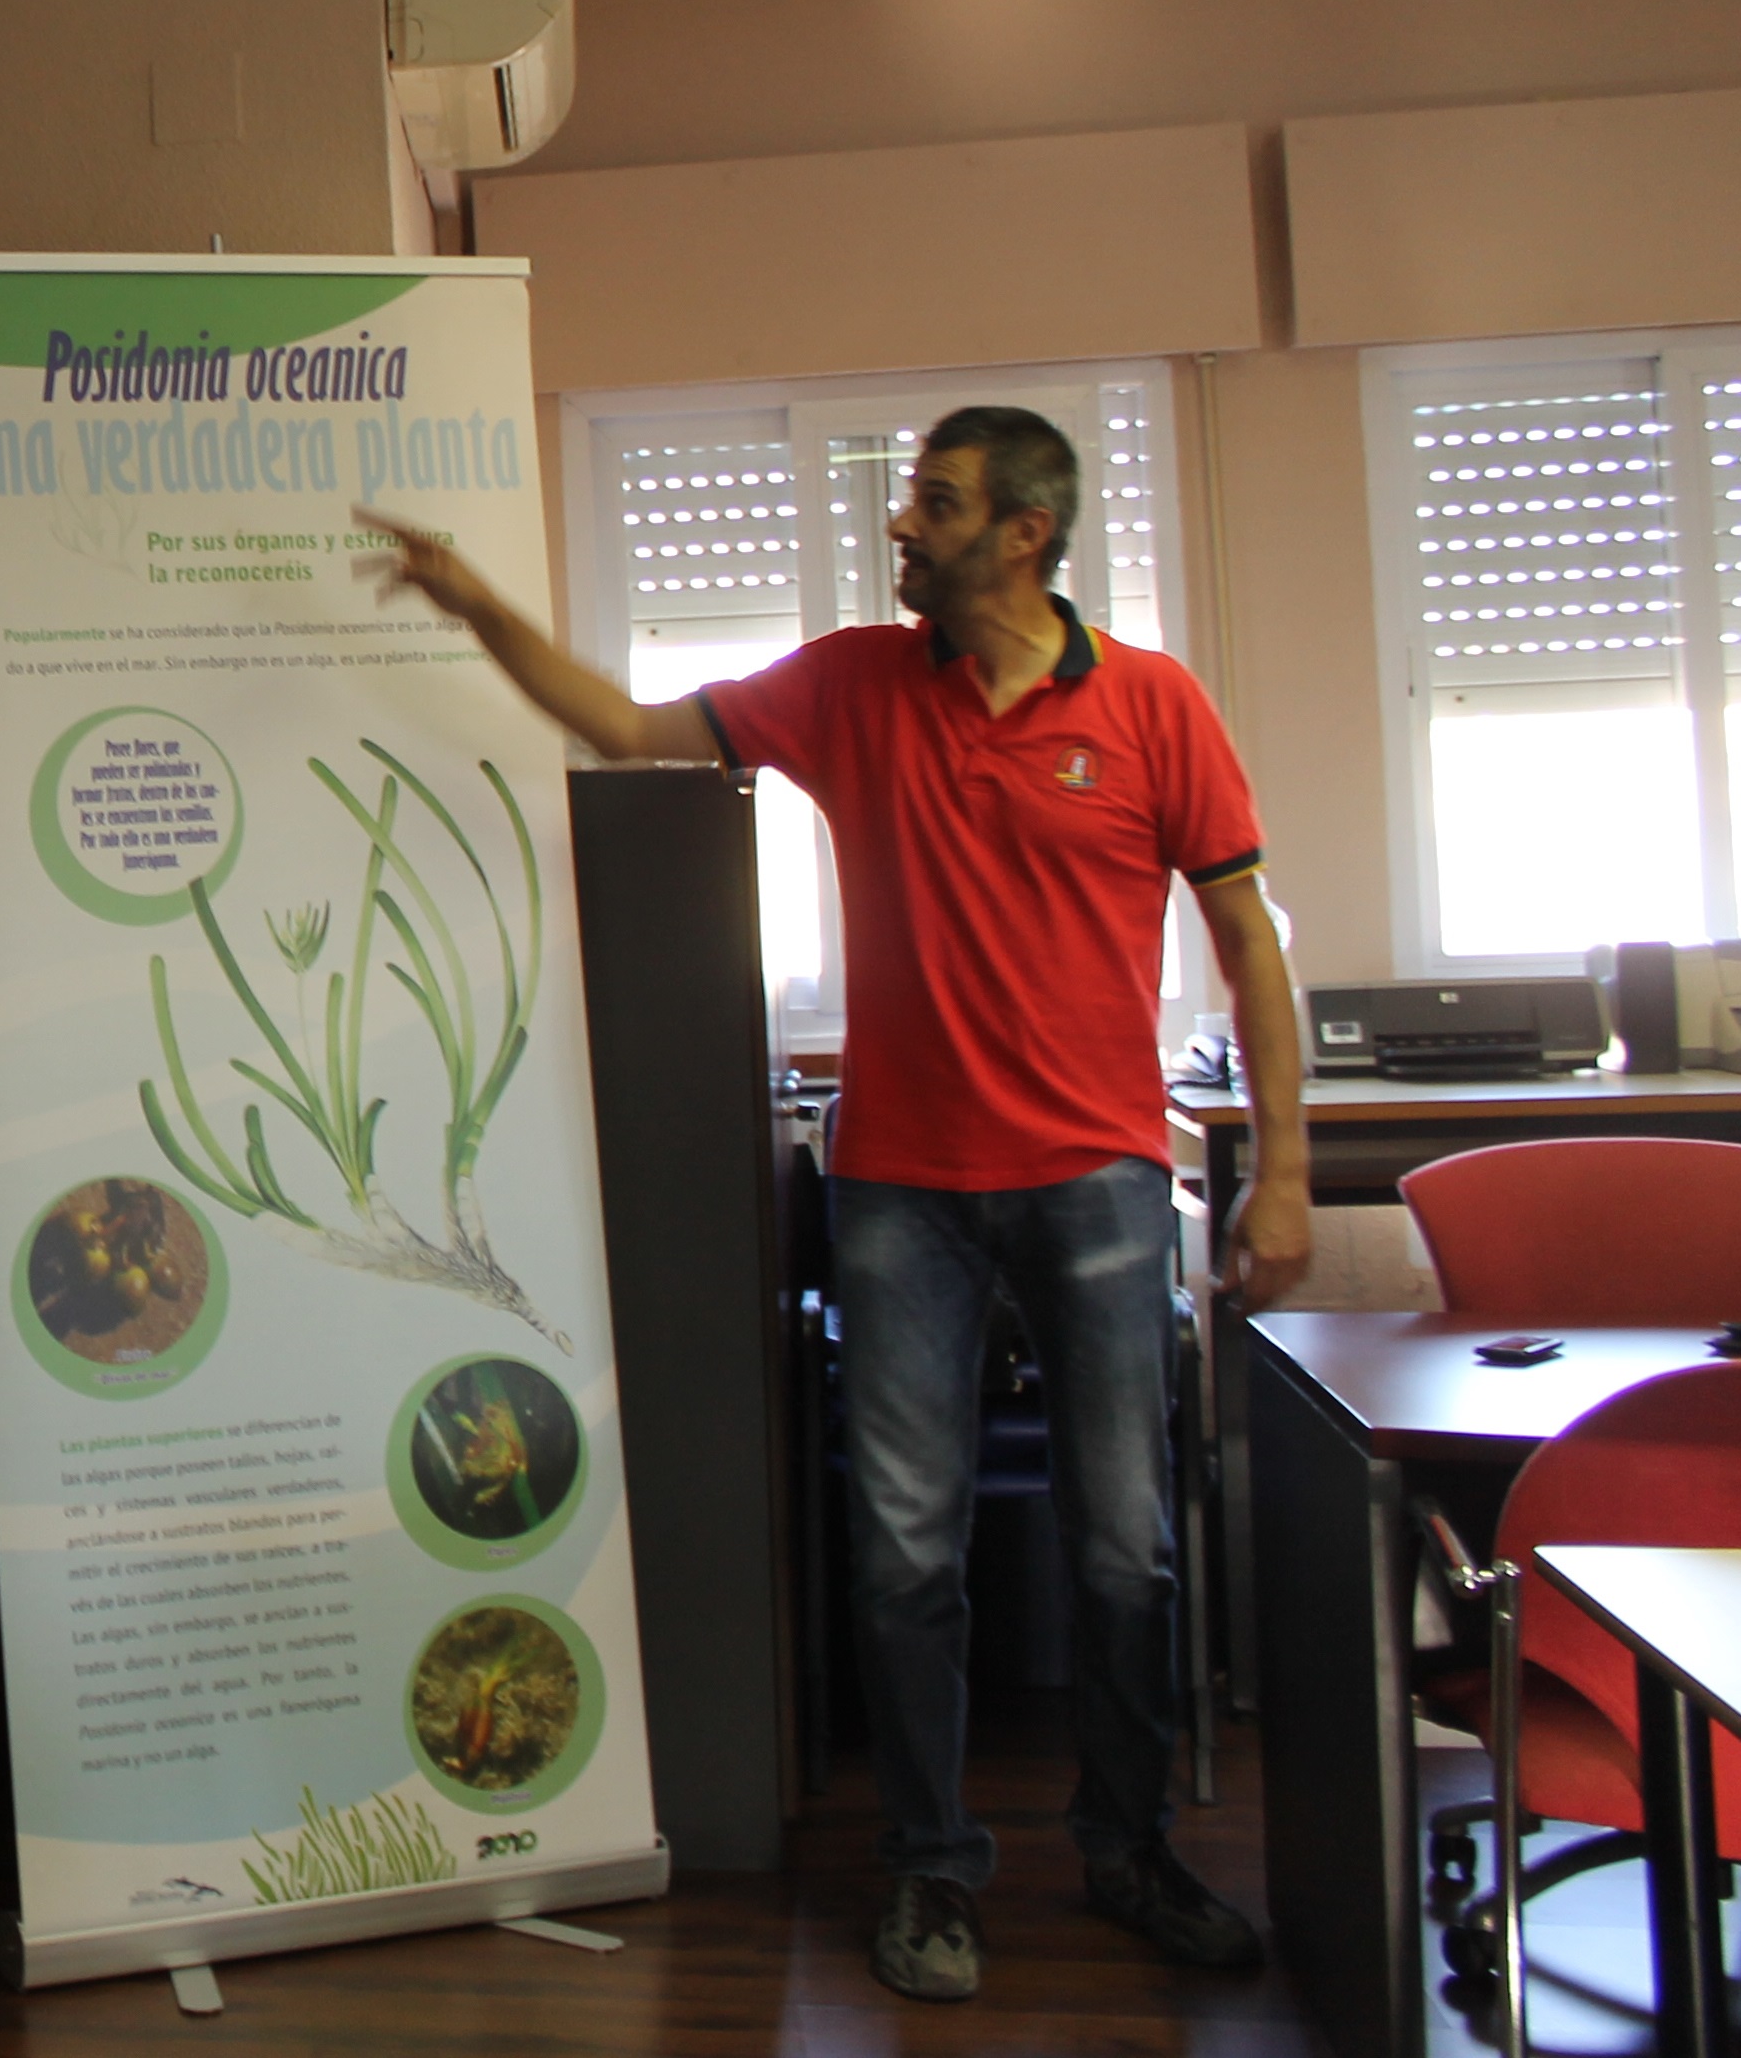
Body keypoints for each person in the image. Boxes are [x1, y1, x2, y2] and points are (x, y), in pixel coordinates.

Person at [361, 404, 1309, 2006]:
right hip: (902, 1192)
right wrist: (478, 606)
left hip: (1098, 1178)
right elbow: (632, 725)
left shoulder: (1153, 706)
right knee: (904, 1557)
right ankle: (933, 1873)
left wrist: (1279, 1171)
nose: (900, 528)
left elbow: (1251, 945)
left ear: (1024, 531)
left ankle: (1130, 1852)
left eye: (934, 503)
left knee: (1127, 1554)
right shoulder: (852, 683)